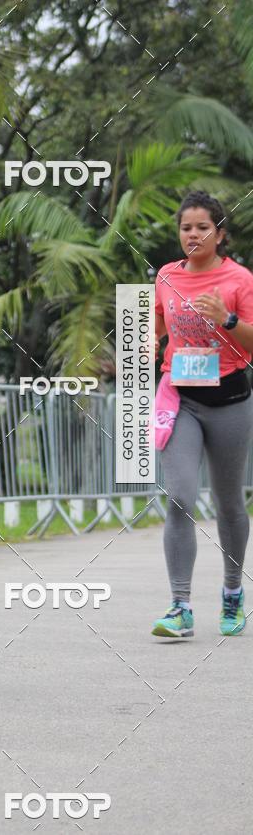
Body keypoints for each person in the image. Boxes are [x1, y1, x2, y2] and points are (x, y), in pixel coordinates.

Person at [152, 190, 253, 639]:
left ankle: (233, 591)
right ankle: (180, 606)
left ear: (219, 233)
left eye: (201, 227)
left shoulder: (239, 279)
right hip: (181, 399)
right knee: (179, 497)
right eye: (185, 227)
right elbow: (154, 328)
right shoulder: (166, 277)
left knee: (229, 504)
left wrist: (228, 320)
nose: (192, 234)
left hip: (230, 400)